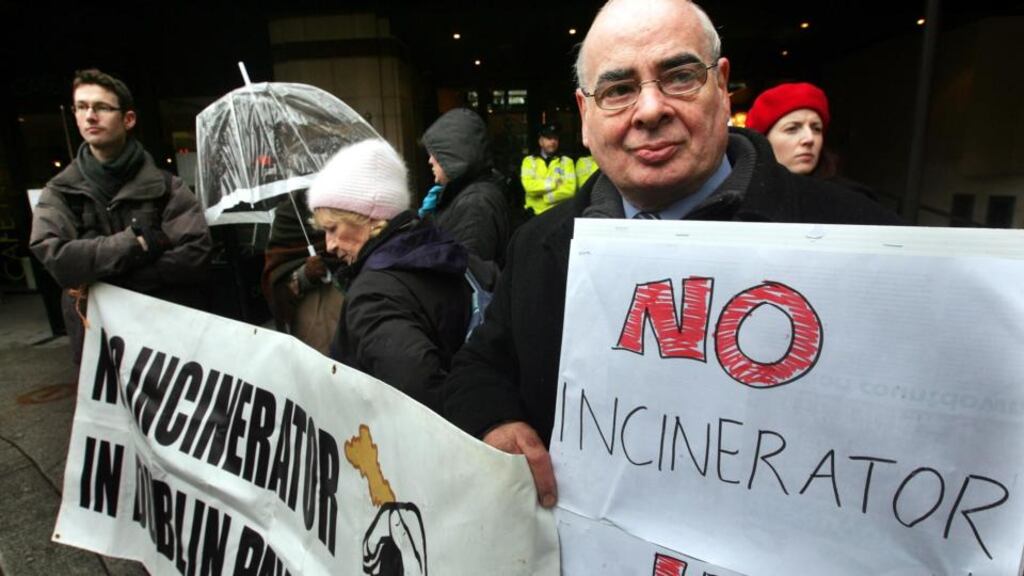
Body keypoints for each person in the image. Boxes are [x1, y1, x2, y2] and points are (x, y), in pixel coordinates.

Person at [442, 0, 901, 508]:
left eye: (679, 76)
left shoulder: (866, 241)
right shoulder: (539, 245)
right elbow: (480, 364)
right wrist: (496, 421)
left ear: (722, 87)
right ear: (584, 115)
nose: (651, 109)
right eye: (618, 90)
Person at [30, 68, 212, 364]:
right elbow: (57, 258)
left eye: (102, 107)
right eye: (82, 107)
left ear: (128, 119)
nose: (90, 116)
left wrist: (101, 277)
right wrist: (134, 244)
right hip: (99, 342)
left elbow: (195, 254)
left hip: (166, 337)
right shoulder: (60, 191)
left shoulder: (168, 188)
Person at [308, 138, 472, 413]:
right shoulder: (436, 250)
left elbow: (418, 396)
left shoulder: (373, 295)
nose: (330, 245)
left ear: (370, 219)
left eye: (333, 228)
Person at [746, 82, 876, 197]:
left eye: (816, 129)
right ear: (762, 140)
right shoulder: (740, 198)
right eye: (792, 129)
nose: (809, 139)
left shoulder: (854, 199)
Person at [420, 108, 510, 267]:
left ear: (454, 154)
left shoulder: (476, 203)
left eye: (436, 153)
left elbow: (467, 273)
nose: (430, 161)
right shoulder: (462, 192)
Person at [261, 189, 344, 355]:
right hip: (313, 315)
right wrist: (304, 275)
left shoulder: (345, 204)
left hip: (350, 300)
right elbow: (275, 278)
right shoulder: (288, 216)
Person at [520, 123, 577, 215]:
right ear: (540, 141)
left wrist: (547, 197)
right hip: (533, 214)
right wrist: (554, 184)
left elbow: (570, 190)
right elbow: (529, 187)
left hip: (557, 213)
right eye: (549, 138)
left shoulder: (567, 161)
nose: (553, 142)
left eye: (556, 139)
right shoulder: (529, 161)